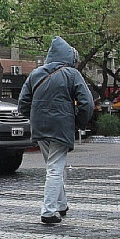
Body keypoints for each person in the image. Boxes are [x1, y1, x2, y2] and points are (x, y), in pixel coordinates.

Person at [18, 36, 94, 224]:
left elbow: (22, 104)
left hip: (39, 126)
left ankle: (61, 204)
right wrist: (79, 122)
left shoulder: (35, 74)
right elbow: (87, 103)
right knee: (55, 167)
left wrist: (35, 116)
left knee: (53, 165)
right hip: (61, 126)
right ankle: (49, 210)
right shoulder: (72, 74)